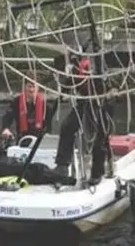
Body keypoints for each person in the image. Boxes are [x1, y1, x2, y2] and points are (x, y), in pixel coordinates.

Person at [53, 55, 114, 183]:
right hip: (85, 101)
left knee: (100, 135)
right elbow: (70, 85)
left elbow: (106, 82)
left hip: (102, 102)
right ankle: (62, 165)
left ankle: (97, 172)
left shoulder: (96, 63)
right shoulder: (75, 68)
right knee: (67, 126)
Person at [0, 75, 54, 140]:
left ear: (38, 88)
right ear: (25, 87)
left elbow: (48, 127)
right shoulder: (16, 102)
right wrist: (6, 129)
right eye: (29, 86)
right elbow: (7, 117)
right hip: (22, 139)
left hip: (39, 140)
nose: (31, 90)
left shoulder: (46, 106)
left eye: (34, 87)